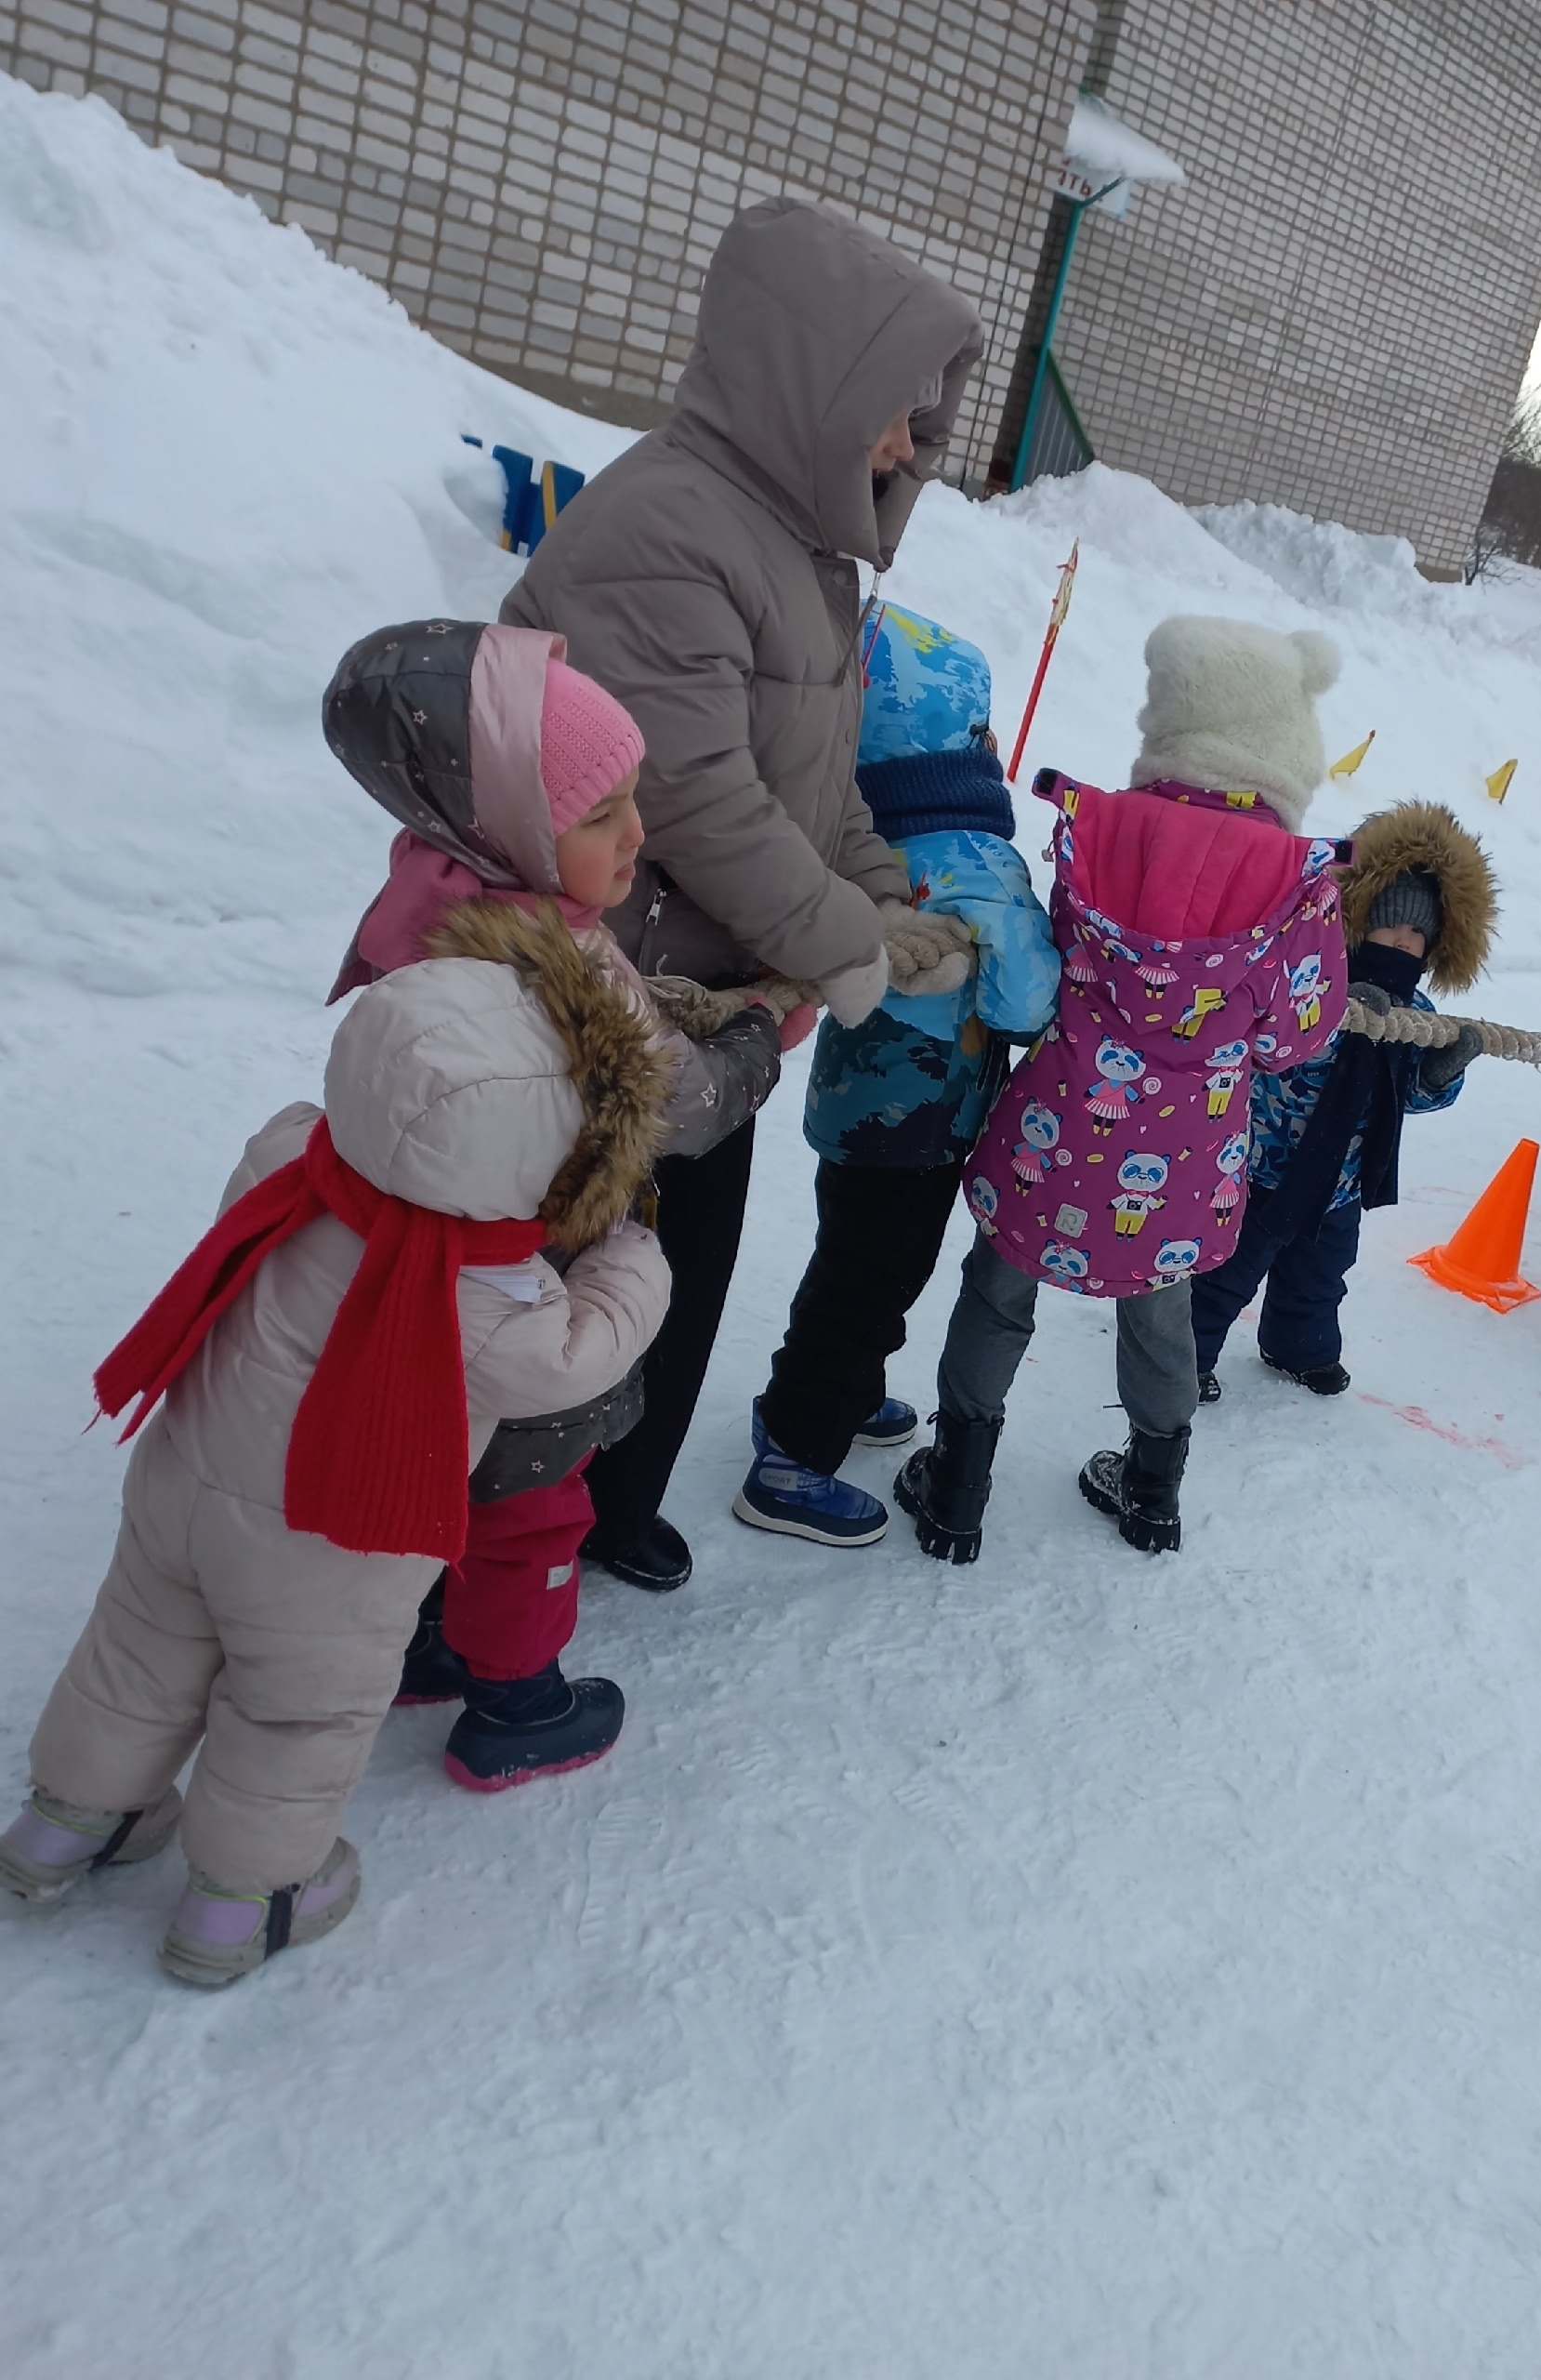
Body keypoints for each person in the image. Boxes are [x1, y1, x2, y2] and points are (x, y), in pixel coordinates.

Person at [0, 938, 672, 1983]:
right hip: (323, 1548)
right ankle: (241, 1903)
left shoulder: (290, 1158)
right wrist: (629, 1259)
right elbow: (576, 1360)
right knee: (291, 1713)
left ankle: (64, 1827)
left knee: (137, 1652)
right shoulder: (491, 1300)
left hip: (183, 1482)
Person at [501, 194, 984, 1593]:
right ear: (813, 384)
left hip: (705, 1012)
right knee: (570, 1293)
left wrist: (889, 892)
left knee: (679, 1278)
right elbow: (700, 797)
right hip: (609, 1004)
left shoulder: (800, 555)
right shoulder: (669, 528)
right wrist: (855, 944)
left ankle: (603, 1508)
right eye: (896, 411)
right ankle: (483, 1570)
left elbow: (814, 783)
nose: (908, 446)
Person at [321, 619, 797, 1783]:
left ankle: (423, 1640)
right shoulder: (559, 965)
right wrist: (751, 1034)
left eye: (636, 798)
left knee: (438, 1469)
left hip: (401, 1274)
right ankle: (517, 1703)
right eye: (600, 815)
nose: (638, 835)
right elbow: (681, 1104)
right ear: (515, 830)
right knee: (530, 1498)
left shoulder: (435, 892)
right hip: (526, 1278)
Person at [895, 615, 1351, 1559]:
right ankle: (1151, 1493)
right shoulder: (1298, 879)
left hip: (1059, 1123)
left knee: (996, 1289)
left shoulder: (1098, 827)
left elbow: (1056, 959)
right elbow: (1298, 1033)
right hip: (1183, 1153)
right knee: (1160, 1311)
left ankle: (956, 1488)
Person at [737, 606, 1059, 1547]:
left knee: (847, 1260)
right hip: (923, 1127)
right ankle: (794, 1456)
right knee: (877, 1278)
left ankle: (819, 1395)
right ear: (968, 739)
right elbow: (1023, 1002)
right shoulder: (976, 861)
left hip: (850, 1110)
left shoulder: (854, 837)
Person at [1192, 800, 1496, 1398]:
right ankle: (1184, 1357)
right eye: (1390, 927)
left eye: (1417, 936)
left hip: (1343, 1183)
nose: (1402, 944)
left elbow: (1406, 1097)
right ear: (1356, 922)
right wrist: (1339, 1017)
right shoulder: (1308, 981)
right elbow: (1281, 1058)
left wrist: (1439, 1074)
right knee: (1224, 1274)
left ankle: (1297, 1347)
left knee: (1320, 1278)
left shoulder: (1417, 1014)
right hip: (1261, 1171)